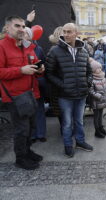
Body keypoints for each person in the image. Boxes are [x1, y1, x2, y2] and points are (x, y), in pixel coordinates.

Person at [0, 16, 44, 170]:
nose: (21, 29)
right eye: (17, 26)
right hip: (14, 96)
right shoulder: (2, 46)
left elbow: (34, 65)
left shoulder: (28, 46)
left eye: (23, 26)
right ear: (7, 28)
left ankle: (27, 151)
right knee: (21, 129)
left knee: (31, 127)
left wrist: (39, 70)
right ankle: (20, 158)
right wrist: (20, 70)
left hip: (30, 93)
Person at [46, 23, 93, 158]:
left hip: (81, 94)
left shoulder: (83, 51)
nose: (66, 34)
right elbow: (49, 73)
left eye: (69, 32)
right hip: (65, 95)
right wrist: (63, 85)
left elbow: (89, 71)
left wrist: (87, 82)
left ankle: (80, 141)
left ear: (76, 33)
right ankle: (68, 145)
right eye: (64, 32)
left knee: (79, 120)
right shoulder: (55, 51)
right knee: (67, 123)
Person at [24, 27, 47, 143]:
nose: (25, 37)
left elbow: (43, 62)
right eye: (24, 34)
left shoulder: (38, 49)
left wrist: (41, 69)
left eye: (27, 34)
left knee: (39, 109)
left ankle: (41, 133)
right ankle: (32, 135)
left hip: (37, 84)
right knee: (29, 111)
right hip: (25, 85)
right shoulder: (20, 48)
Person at [89, 58, 106, 138]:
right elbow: (90, 91)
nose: (99, 69)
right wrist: (99, 96)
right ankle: (97, 130)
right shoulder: (92, 79)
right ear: (93, 70)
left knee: (101, 114)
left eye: (100, 67)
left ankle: (101, 127)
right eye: (97, 68)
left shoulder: (103, 77)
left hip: (103, 100)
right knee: (96, 116)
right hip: (96, 101)